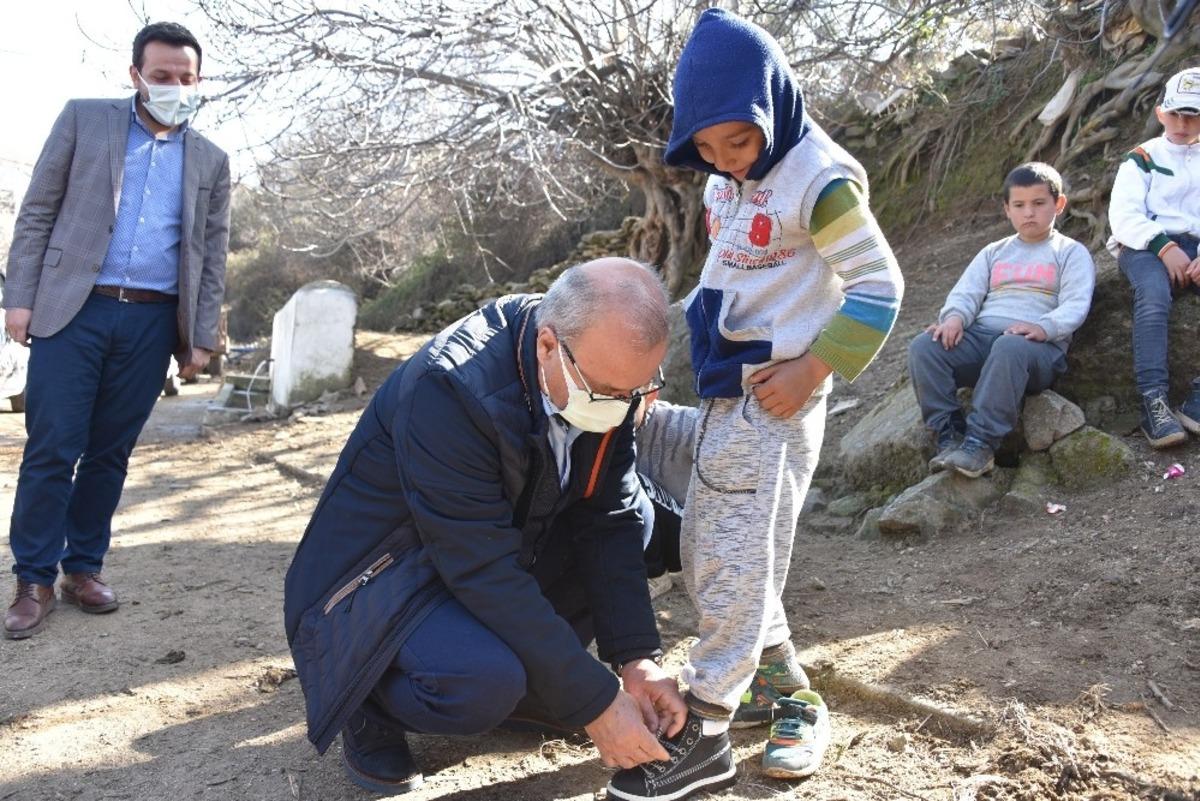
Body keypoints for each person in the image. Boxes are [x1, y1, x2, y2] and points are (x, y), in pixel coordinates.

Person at [608, 11, 905, 800]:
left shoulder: (821, 179)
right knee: (720, 541)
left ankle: (705, 721)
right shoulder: (722, 179)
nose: (724, 160)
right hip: (721, 391)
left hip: (776, 395)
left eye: (736, 142)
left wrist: (813, 368)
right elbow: (732, 280)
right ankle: (785, 693)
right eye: (704, 149)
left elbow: (881, 288)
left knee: (731, 555)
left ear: (773, 101)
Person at [283, 258, 689, 796]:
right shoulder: (450, 388)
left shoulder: (599, 378)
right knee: (482, 682)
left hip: (484, 547)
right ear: (548, 346)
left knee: (637, 524)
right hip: (379, 582)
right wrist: (593, 700)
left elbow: (606, 518)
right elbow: (482, 567)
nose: (623, 410)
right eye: (609, 392)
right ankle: (366, 697)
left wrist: (636, 659)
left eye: (637, 392)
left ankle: (533, 694)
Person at [2, 22, 230, 639]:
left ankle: (82, 568)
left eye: (186, 78)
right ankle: (33, 579)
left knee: (110, 452)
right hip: (74, 309)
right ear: (135, 76)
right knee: (53, 447)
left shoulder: (211, 159)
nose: (174, 87)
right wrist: (17, 299)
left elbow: (211, 252)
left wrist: (200, 335)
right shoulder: (84, 120)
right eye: (161, 77)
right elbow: (39, 211)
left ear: (198, 81)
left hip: (153, 321)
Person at [909, 163, 1095, 477]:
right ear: (1007, 209)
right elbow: (966, 293)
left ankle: (979, 444)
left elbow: (1076, 304)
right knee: (924, 347)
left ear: (1058, 204)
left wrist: (1043, 327)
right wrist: (954, 319)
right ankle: (949, 437)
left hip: (1035, 350)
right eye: (1019, 206)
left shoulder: (1070, 252)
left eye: (1039, 204)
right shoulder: (994, 252)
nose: (1029, 214)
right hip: (982, 339)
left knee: (1009, 347)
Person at [1108, 66, 1200, 448]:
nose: (1182, 123)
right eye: (1175, 113)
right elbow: (1124, 216)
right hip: (1146, 245)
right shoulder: (1142, 157)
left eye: (1193, 116)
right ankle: (1154, 402)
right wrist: (1164, 247)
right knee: (1153, 296)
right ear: (1161, 112)